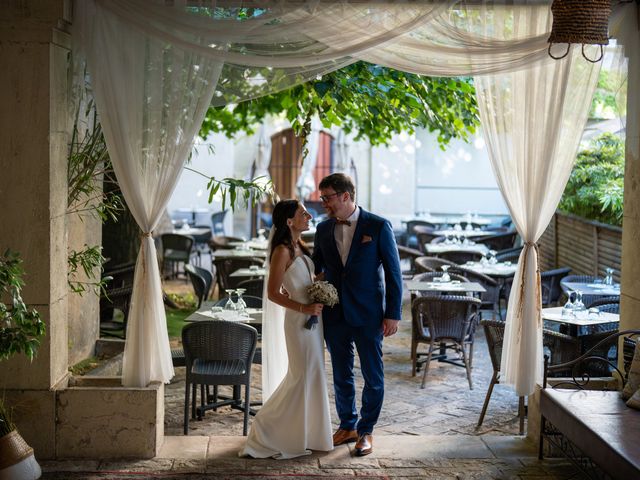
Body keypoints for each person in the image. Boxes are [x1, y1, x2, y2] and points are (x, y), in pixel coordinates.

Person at [312, 173, 402, 457]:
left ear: (345, 196)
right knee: (341, 373)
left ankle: (366, 431)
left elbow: (393, 273)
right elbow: (316, 267)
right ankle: (347, 425)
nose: (323, 203)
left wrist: (393, 314)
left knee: (372, 375)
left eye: (327, 197)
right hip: (335, 313)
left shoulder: (377, 225)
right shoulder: (323, 229)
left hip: (369, 314)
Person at [240, 199, 333, 459]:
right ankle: (267, 427)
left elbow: (303, 280)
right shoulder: (282, 251)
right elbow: (272, 293)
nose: (309, 216)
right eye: (303, 213)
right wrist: (303, 308)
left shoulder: (299, 246)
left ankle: (308, 434)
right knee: (300, 376)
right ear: (289, 222)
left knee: (313, 374)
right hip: (299, 321)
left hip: (314, 320)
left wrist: (321, 286)